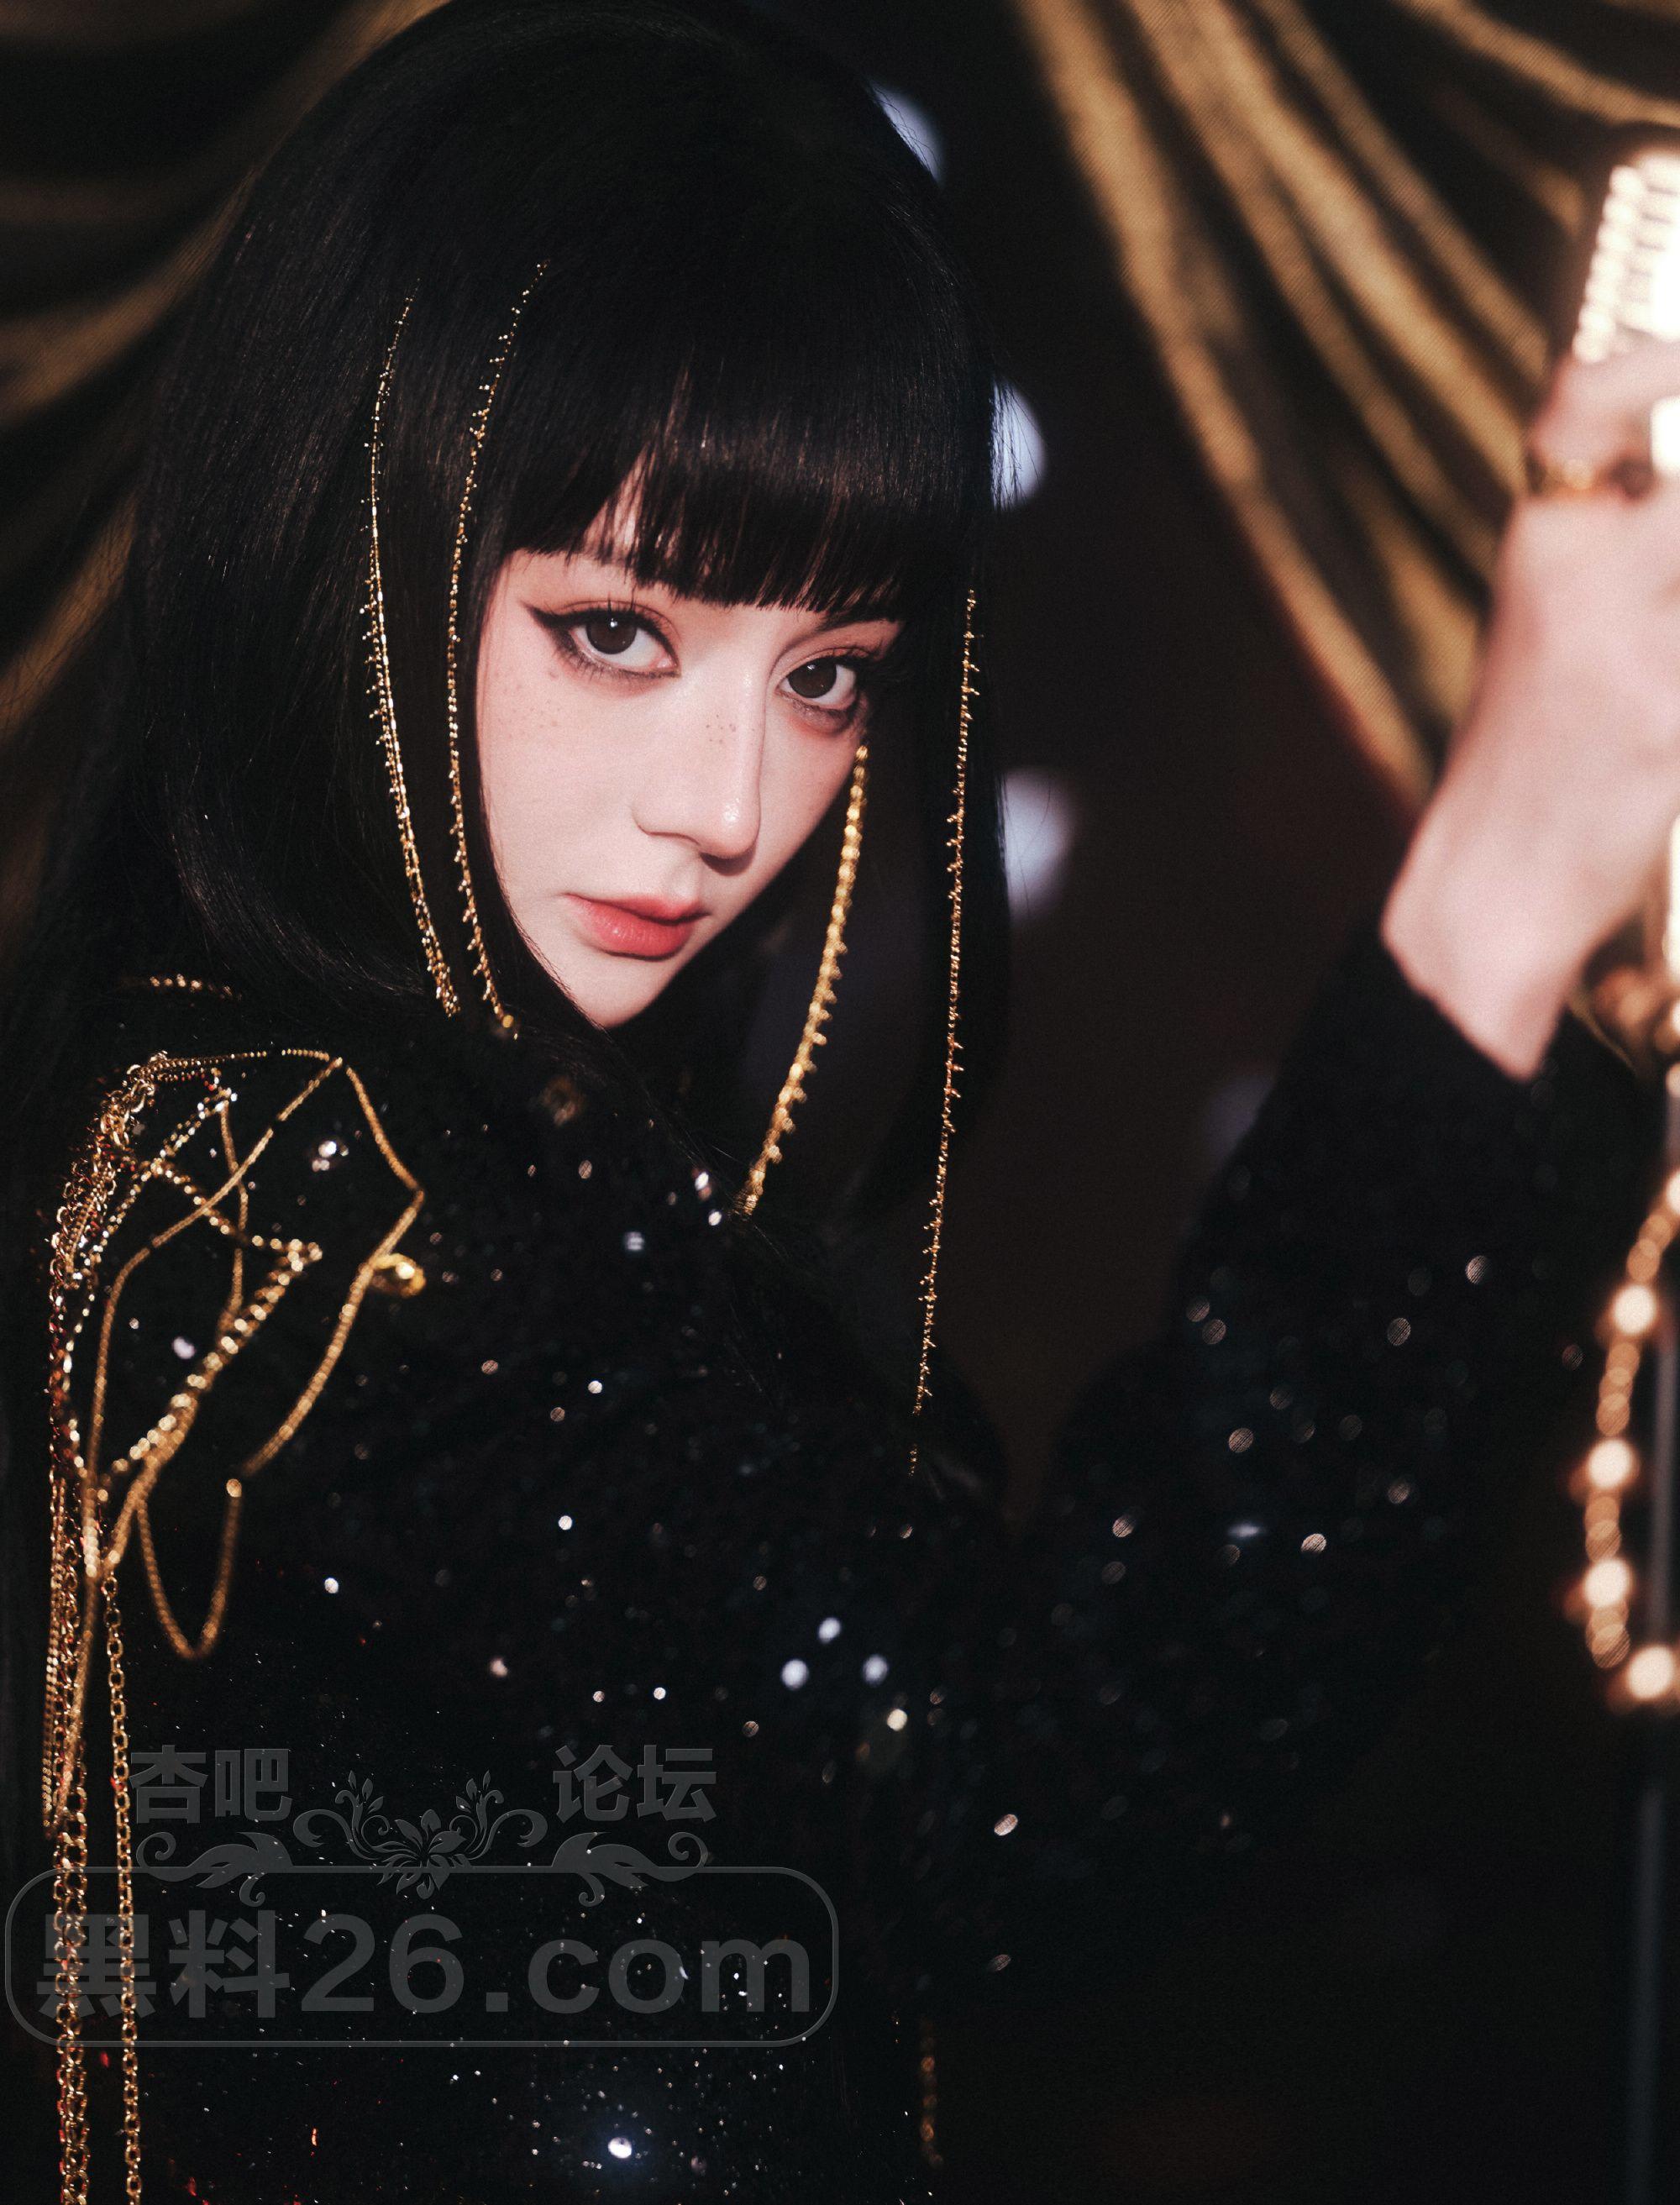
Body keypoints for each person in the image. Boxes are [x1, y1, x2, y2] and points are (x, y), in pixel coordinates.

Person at [0, 2, 1669, 2198]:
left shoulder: (215, 1095)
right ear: (348, 536)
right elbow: (1018, 1795)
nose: (728, 804)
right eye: (616, 629)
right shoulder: (361, 1200)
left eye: (826, 676)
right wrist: (1496, 897)